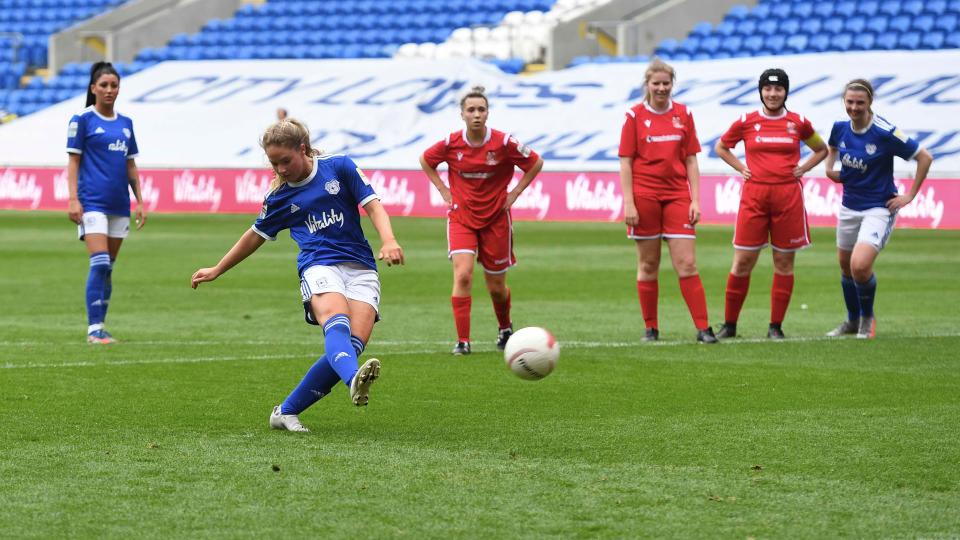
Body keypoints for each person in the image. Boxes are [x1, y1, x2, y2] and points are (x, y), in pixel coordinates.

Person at [191, 118, 404, 432]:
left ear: (303, 149)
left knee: (352, 345)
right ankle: (352, 380)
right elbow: (254, 235)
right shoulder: (279, 198)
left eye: (285, 161)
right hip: (318, 265)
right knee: (336, 324)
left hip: (361, 267)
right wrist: (218, 269)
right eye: (274, 164)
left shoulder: (340, 167)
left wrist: (389, 240)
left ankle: (286, 411)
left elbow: (373, 205)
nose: (280, 170)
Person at [419, 86, 544, 355]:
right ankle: (463, 341)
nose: (476, 114)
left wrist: (515, 193)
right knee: (463, 275)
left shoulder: (504, 143)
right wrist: (443, 190)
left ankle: (505, 327)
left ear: (488, 113)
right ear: (462, 114)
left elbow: (535, 162)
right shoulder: (451, 143)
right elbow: (426, 160)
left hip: (496, 220)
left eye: (481, 109)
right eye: (471, 110)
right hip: (462, 217)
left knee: (496, 287)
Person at [714, 68, 828, 339]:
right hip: (754, 198)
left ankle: (775, 327)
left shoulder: (798, 123)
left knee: (784, 263)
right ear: (761, 91)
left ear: (786, 92)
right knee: (742, 261)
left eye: (778, 89)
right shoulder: (746, 121)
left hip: (788, 199)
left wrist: (803, 168)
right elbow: (721, 147)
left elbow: (822, 149)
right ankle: (730, 325)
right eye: (768, 89)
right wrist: (741, 167)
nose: (773, 94)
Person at [823, 79, 933, 339]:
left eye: (860, 102)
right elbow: (832, 147)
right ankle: (851, 321)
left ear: (870, 102)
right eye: (849, 102)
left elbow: (925, 157)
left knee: (859, 266)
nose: (854, 107)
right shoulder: (840, 128)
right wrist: (829, 170)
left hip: (878, 208)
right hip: (849, 205)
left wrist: (910, 195)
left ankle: (867, 318)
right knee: (845, 266)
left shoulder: (885, 132)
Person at [618, 59, 717, 344]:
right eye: (656, 83)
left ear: (672, 84)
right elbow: (626, 162)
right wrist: (629, 203)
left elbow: (690, 159)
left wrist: (696, 199)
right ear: (647, 85)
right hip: (644, 195)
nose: (661, 88)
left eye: (666, 83)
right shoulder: (634, 116)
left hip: (677, 195)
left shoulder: (683, 114)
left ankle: (703, 328)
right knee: (648, 264)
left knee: (686, 263)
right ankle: (651, 328)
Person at [66, 61, 146, 344]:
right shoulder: (82, 120)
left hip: (118, 205)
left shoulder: (126, 124)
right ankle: (93, 329)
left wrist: (140, 201)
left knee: (108, 267)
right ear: (93, 89)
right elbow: (73, 163)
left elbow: (131, 166)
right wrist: (73, 199)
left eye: (114, 85)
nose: (109, 90)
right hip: (92, 203)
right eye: (104, 85)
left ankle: (101, 325)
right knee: (99, 263)